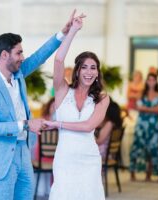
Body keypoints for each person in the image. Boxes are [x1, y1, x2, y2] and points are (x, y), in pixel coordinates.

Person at [0, 10, 79, 200]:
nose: (23, 57)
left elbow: (40, 56)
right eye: (19, 52)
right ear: (4, 55)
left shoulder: (19, 73)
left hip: (23, 151)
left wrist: (62, 33)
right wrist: (25, 124)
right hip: (2, 158)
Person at [43, 16, 109, 200]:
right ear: (77, 71)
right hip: (65, 156)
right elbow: (58, 60)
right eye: (85, 67)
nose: (89, 71)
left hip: (89, 158)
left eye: (93, 68)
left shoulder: (102, 98)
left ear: (97, 73)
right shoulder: (63, 91)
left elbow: (88, 126)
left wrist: (57, 124)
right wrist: (73, 31)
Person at [129, 73, 158, 181]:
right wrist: (152, 109)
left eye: (153, 80)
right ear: (146, 81)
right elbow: (138, 108)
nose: (151, 82)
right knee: (137, 146)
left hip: (153, 126)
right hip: (141, 125)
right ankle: (132, 173)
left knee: (152, 148)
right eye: (149, 80)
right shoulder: (141, 93)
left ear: (156, 82)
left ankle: (148, 174)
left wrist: (145, 108)